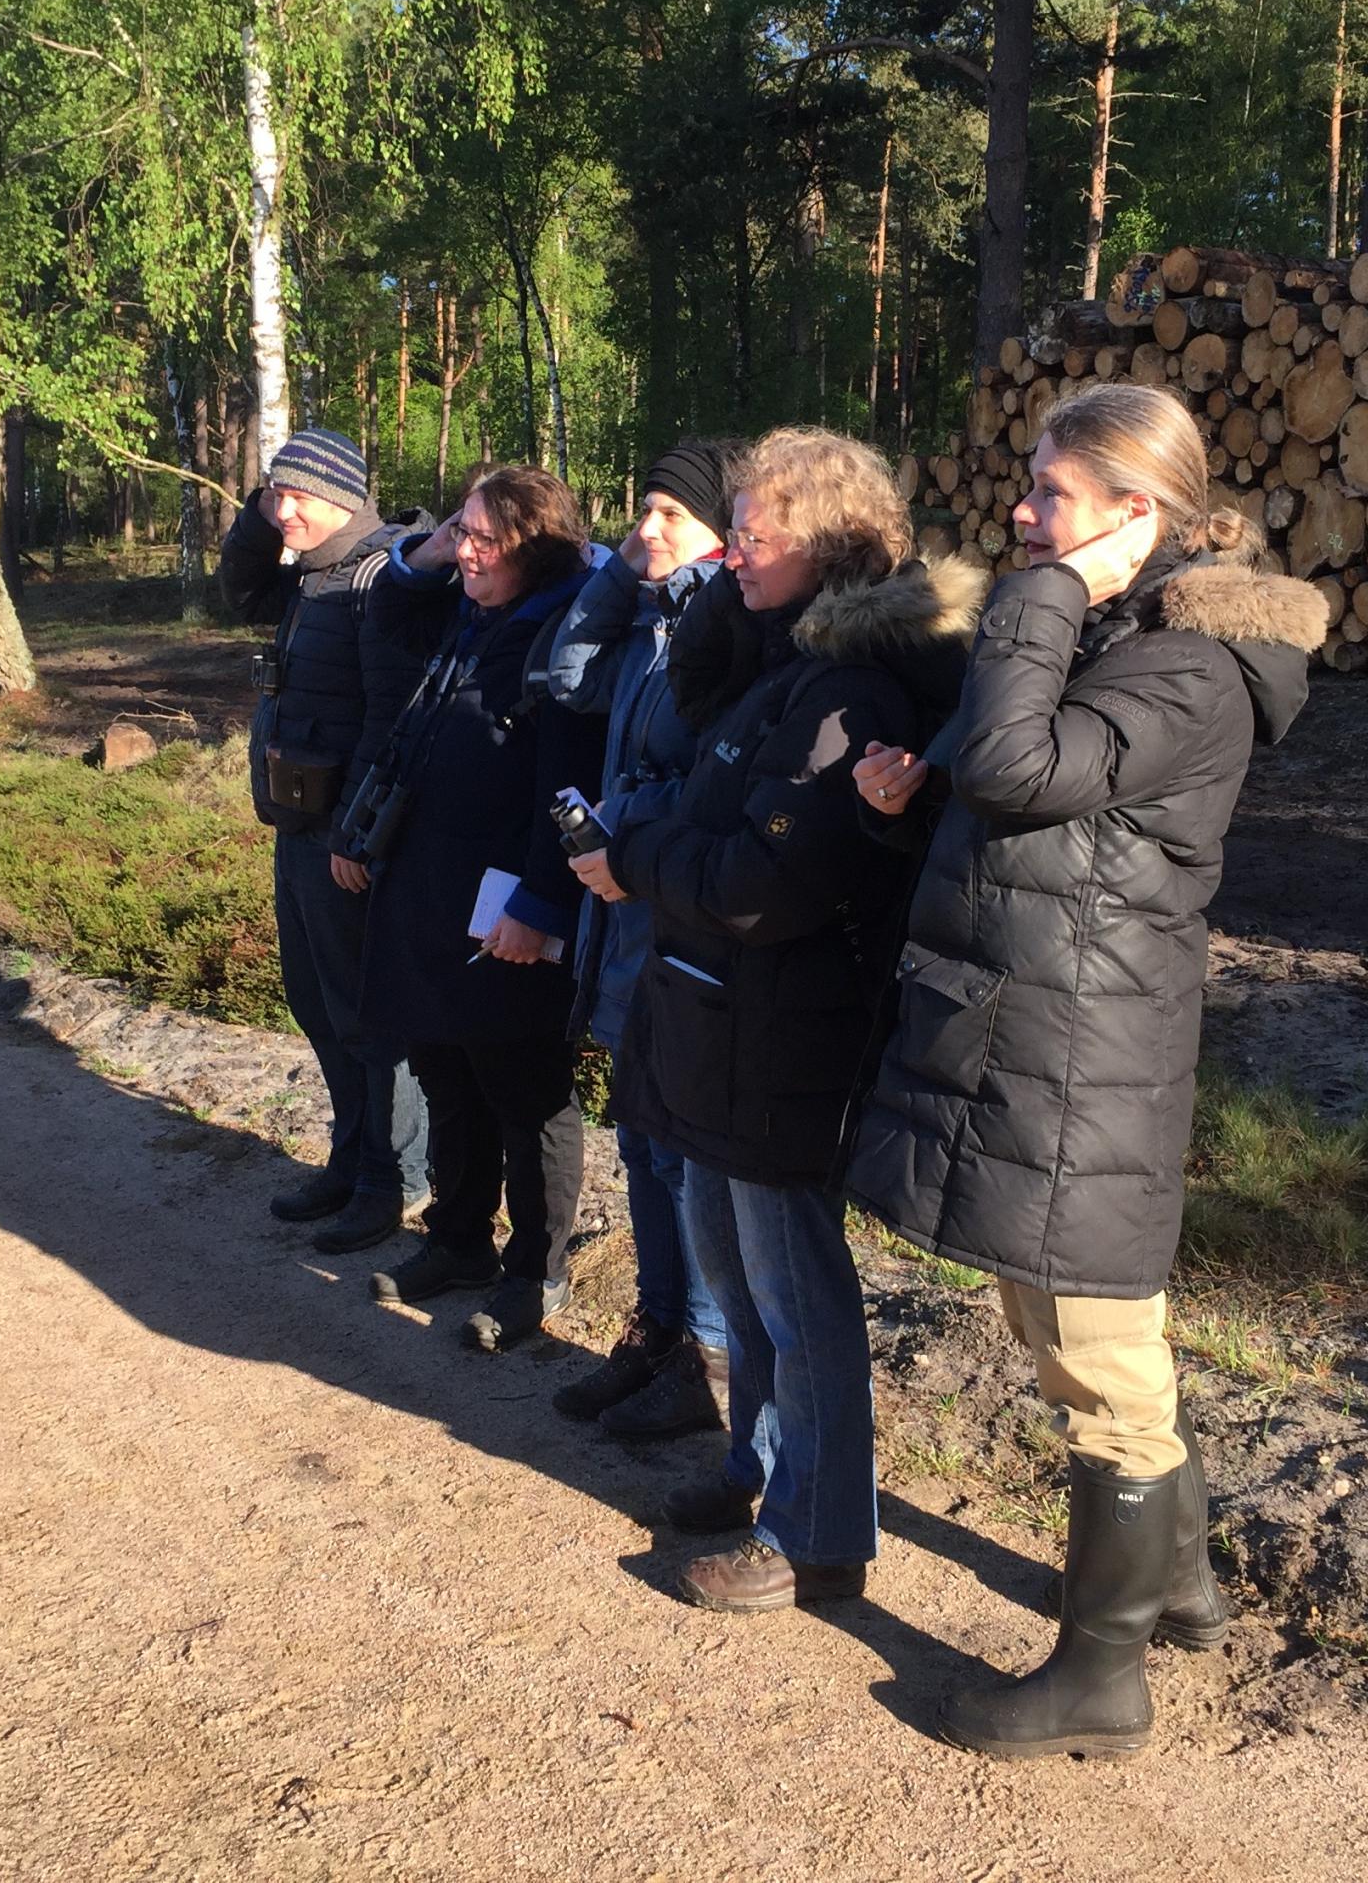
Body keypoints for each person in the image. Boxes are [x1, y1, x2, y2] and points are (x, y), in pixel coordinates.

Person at [846, 382, 1326, 1759]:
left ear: (1132, 512)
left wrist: (1040, 593)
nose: (1019, 511)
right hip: (1050, 1031)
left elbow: (1015, 757)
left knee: (1094, 1353)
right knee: (1084, 1332)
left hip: (1078, 1051)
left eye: (1047, 493)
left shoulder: (1185, 666)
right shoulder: (1135, 636)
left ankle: (1098, 1678)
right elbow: (1002, 778)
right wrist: (912, 780)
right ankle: (1174, 1584)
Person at [572, 428, 978, 1614]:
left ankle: (817, 1533)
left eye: (757, 533)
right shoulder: (779, 664)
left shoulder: (846, 690)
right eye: (735, 528)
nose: (732, 552)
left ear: (834, 546)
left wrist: (633, 855)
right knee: (741, 1285)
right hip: (717, 1027)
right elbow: (717, 785)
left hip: (782, 1037)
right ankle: (757, 1474)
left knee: (794, 1293)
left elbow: (763, 883)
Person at [347, 465, 608, 1353]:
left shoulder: (563, 634)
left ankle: (536, 1269)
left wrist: (538, 902)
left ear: (535, 547)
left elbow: (564, 785)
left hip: (509, 904)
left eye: (485, 539)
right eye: (461, 531)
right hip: (432, 890)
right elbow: (388, 605)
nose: (465, 551)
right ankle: (457, 1239)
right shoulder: (466, 610)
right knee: (447, 1072)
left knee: (523, 1090)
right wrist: (447, 544)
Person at [543, 442, 741, 1443]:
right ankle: (656, 1332)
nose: (645, 529)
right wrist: (622, 572)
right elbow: (563, 673)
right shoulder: (650, 617)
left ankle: (701, 1357)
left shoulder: (715, 626)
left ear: (721, 527)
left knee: (675, 1155)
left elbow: (715, 776)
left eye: (669, 514)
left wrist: (620, 813)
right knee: (639, 1138)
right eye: (640, 510)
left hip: (668, 913)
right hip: (620, 916)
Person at [214, 430, 432, 1255]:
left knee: (367, 1015)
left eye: (297, 495)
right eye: (274, 495)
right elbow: (236, 592)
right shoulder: (308, 573)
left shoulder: (379, 574)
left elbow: (392, 719)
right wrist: (263, 502)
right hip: (299, 826)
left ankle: (397, 1180)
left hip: (347, 840)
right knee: (316, 1003)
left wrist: (360, 833)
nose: (282, 511)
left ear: (343, 496)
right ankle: (352, 1158)